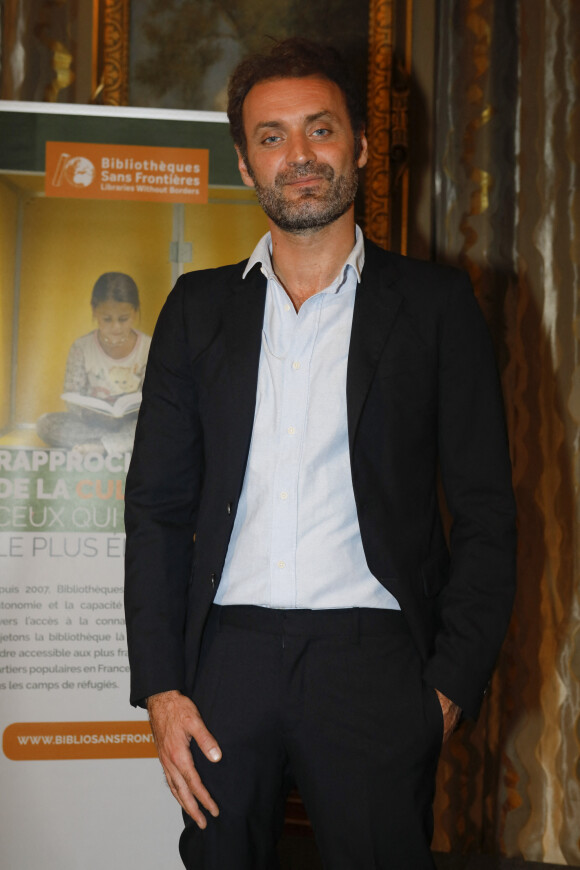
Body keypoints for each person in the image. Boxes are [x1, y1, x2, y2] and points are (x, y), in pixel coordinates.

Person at [124, 38, 516, 870]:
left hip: (376, 662)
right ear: (244, 163)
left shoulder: (439, 307)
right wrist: (161, 687)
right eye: (271, 137)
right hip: (225, 660)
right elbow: (156, 510)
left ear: (362, 145)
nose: (298, 156)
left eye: (319, 130)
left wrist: (448, 685)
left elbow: (486, 511)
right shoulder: (197, 310)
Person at [37, 272, 151, 455]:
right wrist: (92, 414)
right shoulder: (81, 347)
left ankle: (102, 446)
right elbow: (72, 395)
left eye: (123, 319)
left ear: (135, 312)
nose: (115, 327)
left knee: (161, 424)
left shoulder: (149, 348)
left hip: (133, 423)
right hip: (93, 424)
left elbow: (155, 402)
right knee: (45, 424)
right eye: (107, 319)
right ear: (94, 310)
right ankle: (117, 444)